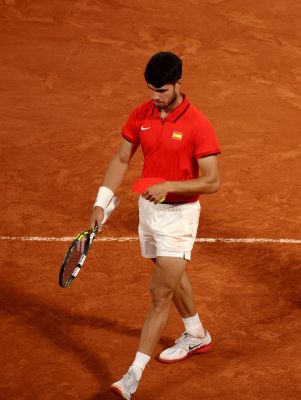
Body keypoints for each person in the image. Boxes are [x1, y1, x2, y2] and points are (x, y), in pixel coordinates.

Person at [88, 51, 221, 398]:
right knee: (171, 275)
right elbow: (121, 158)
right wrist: (101, 203)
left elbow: (212, 181)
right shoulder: (142, 114)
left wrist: (169, 185)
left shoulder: (198, 125)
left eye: (161, 91)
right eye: (150, 90)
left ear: (179, 83)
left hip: (180, 217)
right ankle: (195, 334)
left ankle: (132, 375)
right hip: (149, 213)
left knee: (159, 295)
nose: (155, 97)